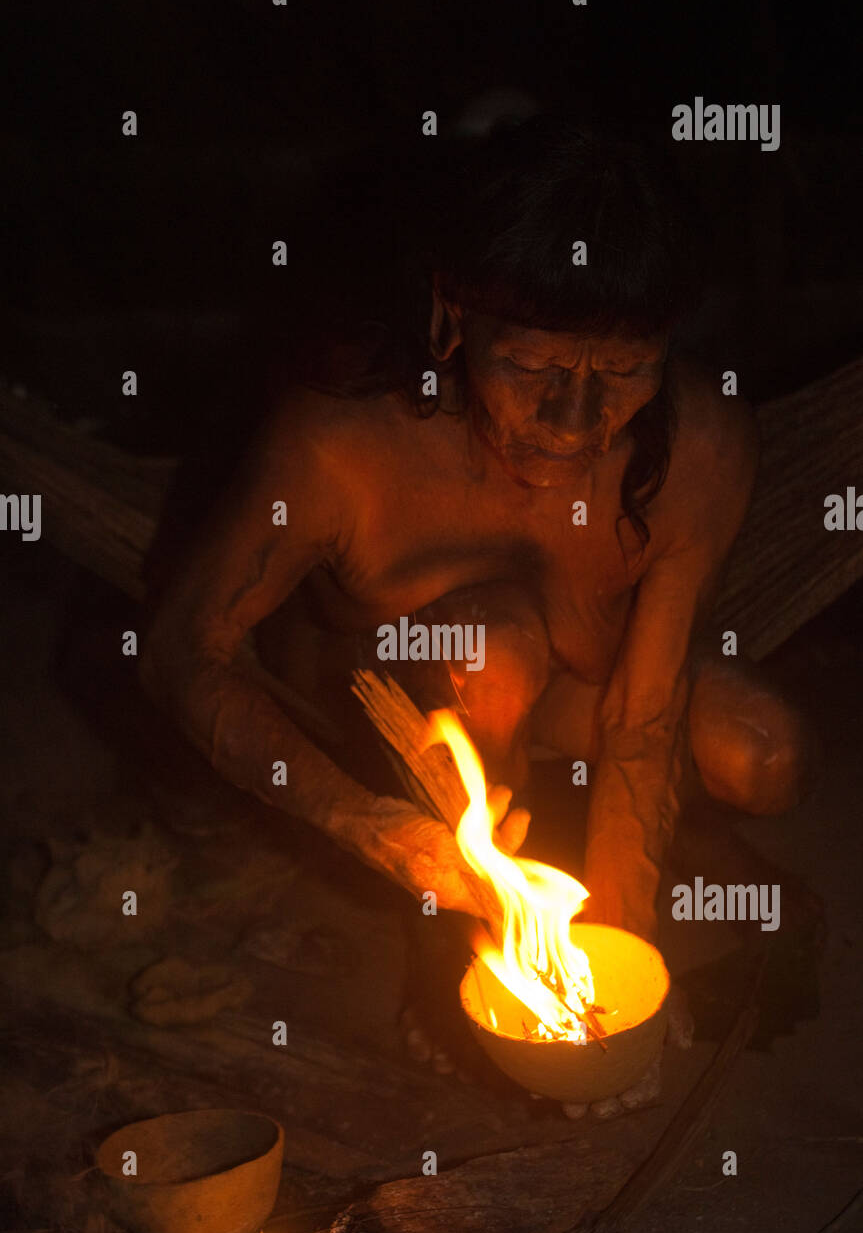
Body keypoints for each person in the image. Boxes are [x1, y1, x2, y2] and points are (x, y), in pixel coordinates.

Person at [141, 117, 811, 1116]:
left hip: (563, 693)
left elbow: (642, 713)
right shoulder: (339, 439)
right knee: (487, 648)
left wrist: (606, 978)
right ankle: (444, 962)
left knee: (762, 749)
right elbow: (179, 651)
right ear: (453, 319)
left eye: (620, 373)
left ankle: (620, 890)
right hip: (374, 700)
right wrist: (375, 830)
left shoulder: (699, 440)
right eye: (536, 369)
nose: (576, 422)